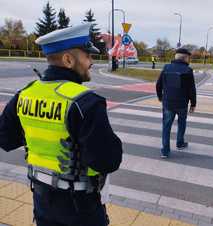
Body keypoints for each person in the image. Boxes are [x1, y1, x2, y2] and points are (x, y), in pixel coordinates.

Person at [0, 23, 123, 226]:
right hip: (81, 209)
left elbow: (5, 139)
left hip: (42, 202)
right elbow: (107, 162)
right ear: (68, 60)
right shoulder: (86, 102)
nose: (91, 61)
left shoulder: (25, 94)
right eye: (87, 55)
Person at [156, 48, 196, 158]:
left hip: (168, 103)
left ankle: (165, 151)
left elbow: (158, 85)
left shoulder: (166, 68)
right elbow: (191, 89)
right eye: (188, 57)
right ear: (185, 58)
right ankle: (180, 143)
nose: (189, 59)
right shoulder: (188, 70)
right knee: (182, 123)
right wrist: (193, 104)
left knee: (166, 126)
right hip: (182, 104)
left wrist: (160, 97)